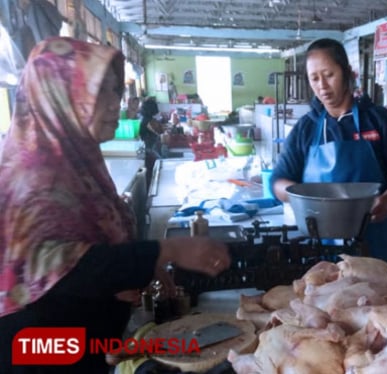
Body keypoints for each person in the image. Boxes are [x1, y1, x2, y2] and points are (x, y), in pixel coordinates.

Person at [0, 37, 232, 373]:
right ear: (61, 95)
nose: (116, 103)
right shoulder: (31, 175)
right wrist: (165, 250)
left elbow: (88, 245)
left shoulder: (76, 160)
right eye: (101, 91)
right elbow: (62, 268)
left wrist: (136, 266)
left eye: (115, 91)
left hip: (85, 342)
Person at [270, 38, 387, 282]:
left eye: (329, 75)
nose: (322, 86)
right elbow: (278, 181)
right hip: (321, 247)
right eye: (314, 78)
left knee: (382, 311)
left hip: (377, 241)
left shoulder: (379, 121)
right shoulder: (306, 129)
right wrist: (306, 201)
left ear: (348, 73)